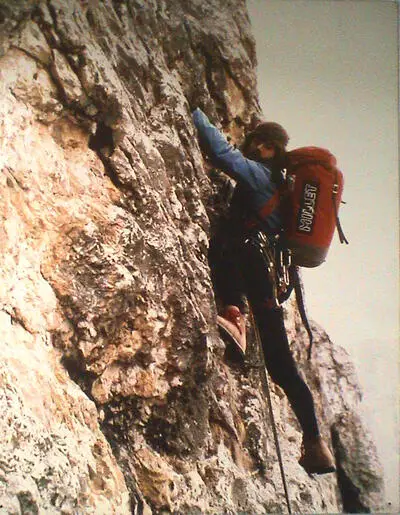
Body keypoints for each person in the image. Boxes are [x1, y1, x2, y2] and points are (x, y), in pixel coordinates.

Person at [192, 107, 336, 475]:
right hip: (269, 277)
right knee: (281, 365)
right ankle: (315, 441)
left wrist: (193, 112)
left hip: (246, 257)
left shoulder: (260, 176)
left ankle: (234, 314)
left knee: (221, 241)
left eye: (257, 145)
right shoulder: (287, 190)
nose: (252, 149)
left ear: (267, 147)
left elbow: (221, 154)